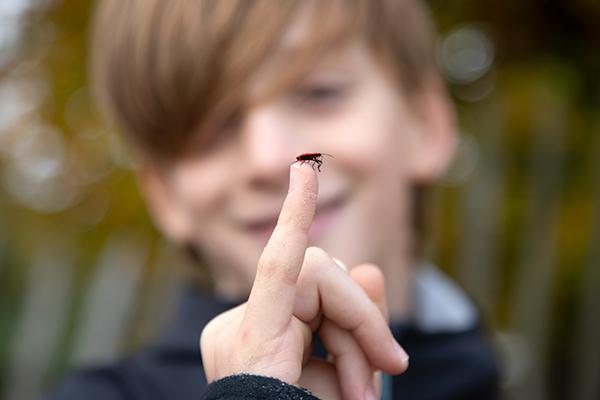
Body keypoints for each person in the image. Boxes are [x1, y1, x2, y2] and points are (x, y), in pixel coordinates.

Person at [46, 0, 500, 399]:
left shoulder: (486, 374)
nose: (268, 159)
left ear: (425, 125)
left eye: (320, 91)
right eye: (208, 129)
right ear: (164, 194)